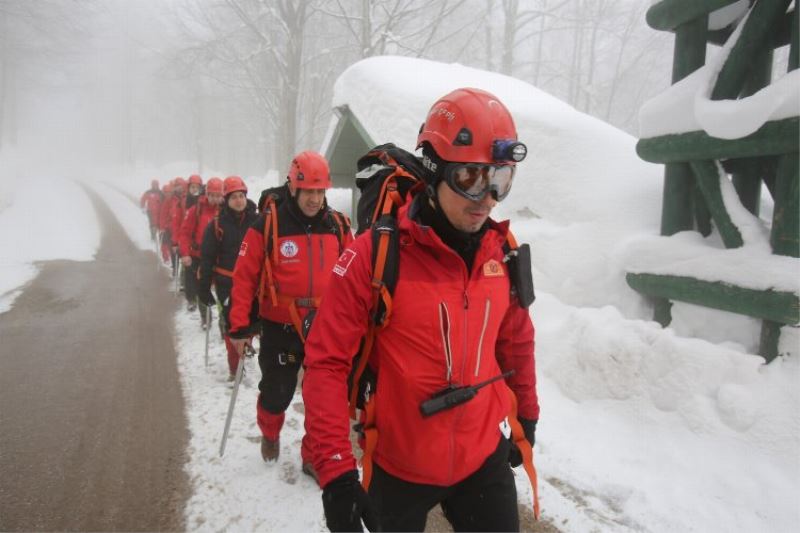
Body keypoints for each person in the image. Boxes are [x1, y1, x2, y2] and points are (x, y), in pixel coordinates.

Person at [302, 88, 539, 532]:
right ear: (434, 171)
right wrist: (336, 473)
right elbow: (326, 363)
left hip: (481, 456)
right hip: (400, 466)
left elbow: (515, 339)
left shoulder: (501, 252)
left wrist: (526, 412)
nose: (487, 197)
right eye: (470, 177)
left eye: (501, 179)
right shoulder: (373, 256)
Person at [227, 151, 353, 477]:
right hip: (280, 326)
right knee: (276, 393)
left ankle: (312, 455)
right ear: (293, 188)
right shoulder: (267, 224)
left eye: (320, 191)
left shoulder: (337, 225)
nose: (315, 199)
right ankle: (270, 432)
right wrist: (239, 327)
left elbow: (354, 277)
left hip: (324, 326)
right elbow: (243, 278)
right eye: (308, 191)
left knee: (322, 398)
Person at [198, 176, 258, 379]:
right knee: (233, 325)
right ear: (226, 199)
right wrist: (203, 287)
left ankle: (245, 350)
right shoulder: (217, 225)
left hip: (253, 284)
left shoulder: (257, 221)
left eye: (241, 196)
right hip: (227, 283)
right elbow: (206, 257)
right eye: (234, 197)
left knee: (251, 322)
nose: (239, 201)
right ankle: (235, 368)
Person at [179, 177, 224, 322]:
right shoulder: (195, 210)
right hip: (199, 256)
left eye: (218, 196)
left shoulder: (226, 211)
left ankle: (225, 325)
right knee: (202, 288)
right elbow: (185, 233)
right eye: (213, 195)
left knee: (223, 292)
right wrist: (185, 254)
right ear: (207, 194)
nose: (215, 199)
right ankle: (206, 317)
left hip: (220, 257)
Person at [158, 181, 177, 272]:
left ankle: (174, 267)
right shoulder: (166, 201)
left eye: (169, 192)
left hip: (176, 229)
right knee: (168, 246)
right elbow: (163, 215)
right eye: (166, 192)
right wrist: (162, 227)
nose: (167, 194)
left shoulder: (176, 200)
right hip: (169, 229)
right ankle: (169, 261)